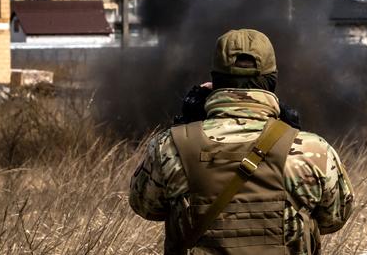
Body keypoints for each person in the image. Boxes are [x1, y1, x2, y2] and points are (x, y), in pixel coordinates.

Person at [129, 29, 354, 254]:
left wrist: (187, 124)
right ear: (272, 80)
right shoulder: (313, 150)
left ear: (215, 81)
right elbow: (334, 218)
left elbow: (146, 207)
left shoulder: (170, 146)